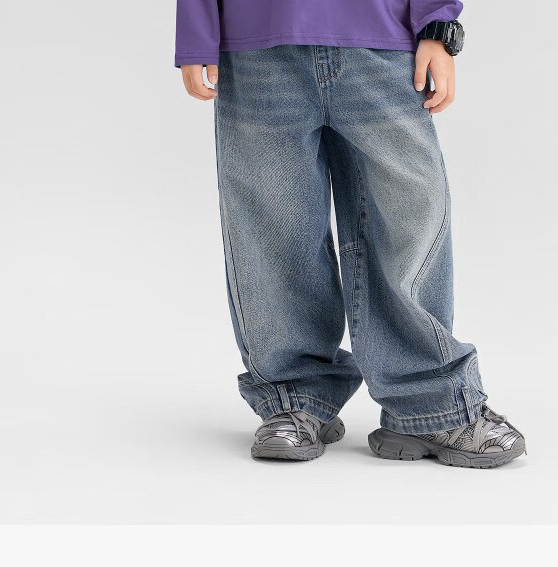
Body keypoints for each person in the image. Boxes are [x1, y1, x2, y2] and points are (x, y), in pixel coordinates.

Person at [175, 0, 526, 468]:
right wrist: (196, 32)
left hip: (383, 43)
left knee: (408, 219)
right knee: (274, 230)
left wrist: (438, 24)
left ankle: (429, 403)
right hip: (257, 48)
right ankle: (294, 397)